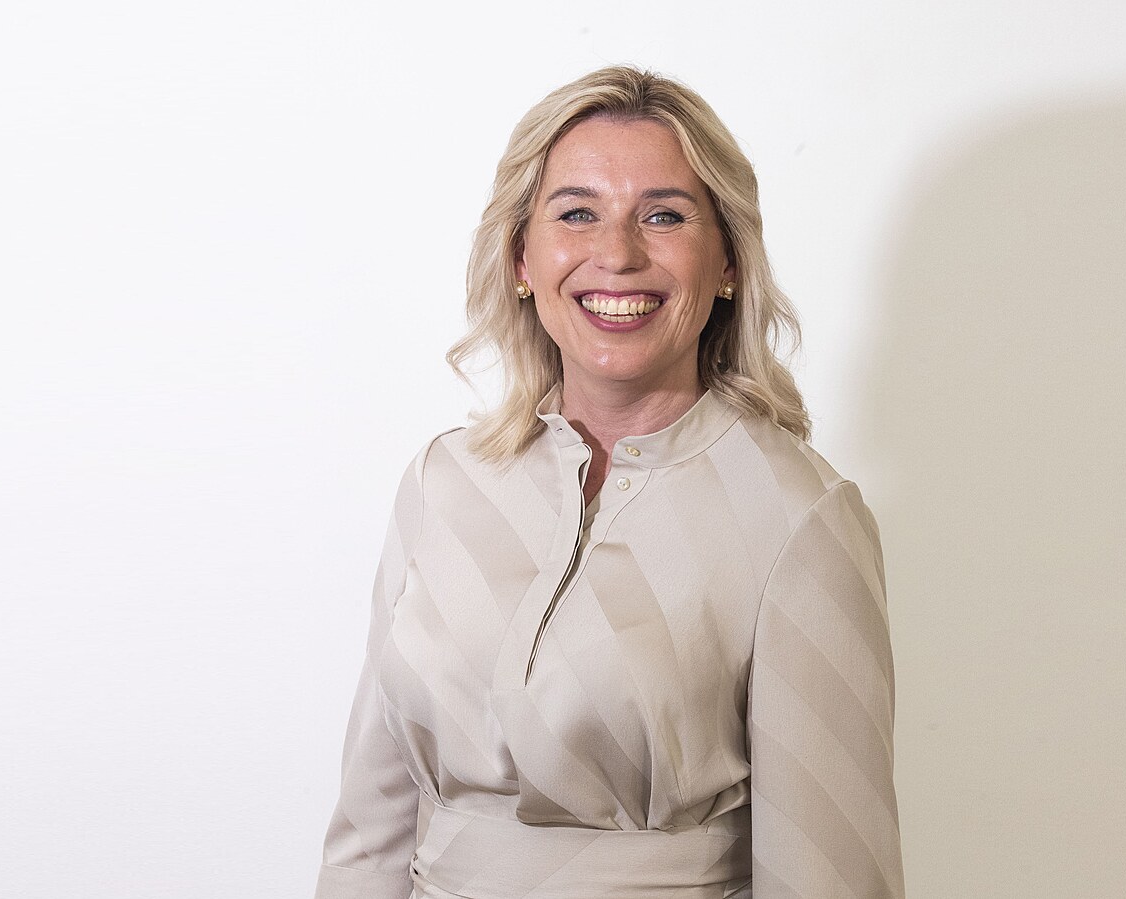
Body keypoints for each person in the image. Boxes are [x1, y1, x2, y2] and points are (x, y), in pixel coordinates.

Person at [313, 66, 904, 899]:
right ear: (522, 256)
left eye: (664, 215)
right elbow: (367, 836)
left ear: (728, 261)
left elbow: (830, 879)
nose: (618, 254)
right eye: (577, 213)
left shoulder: (799, 518)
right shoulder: (444, 480)